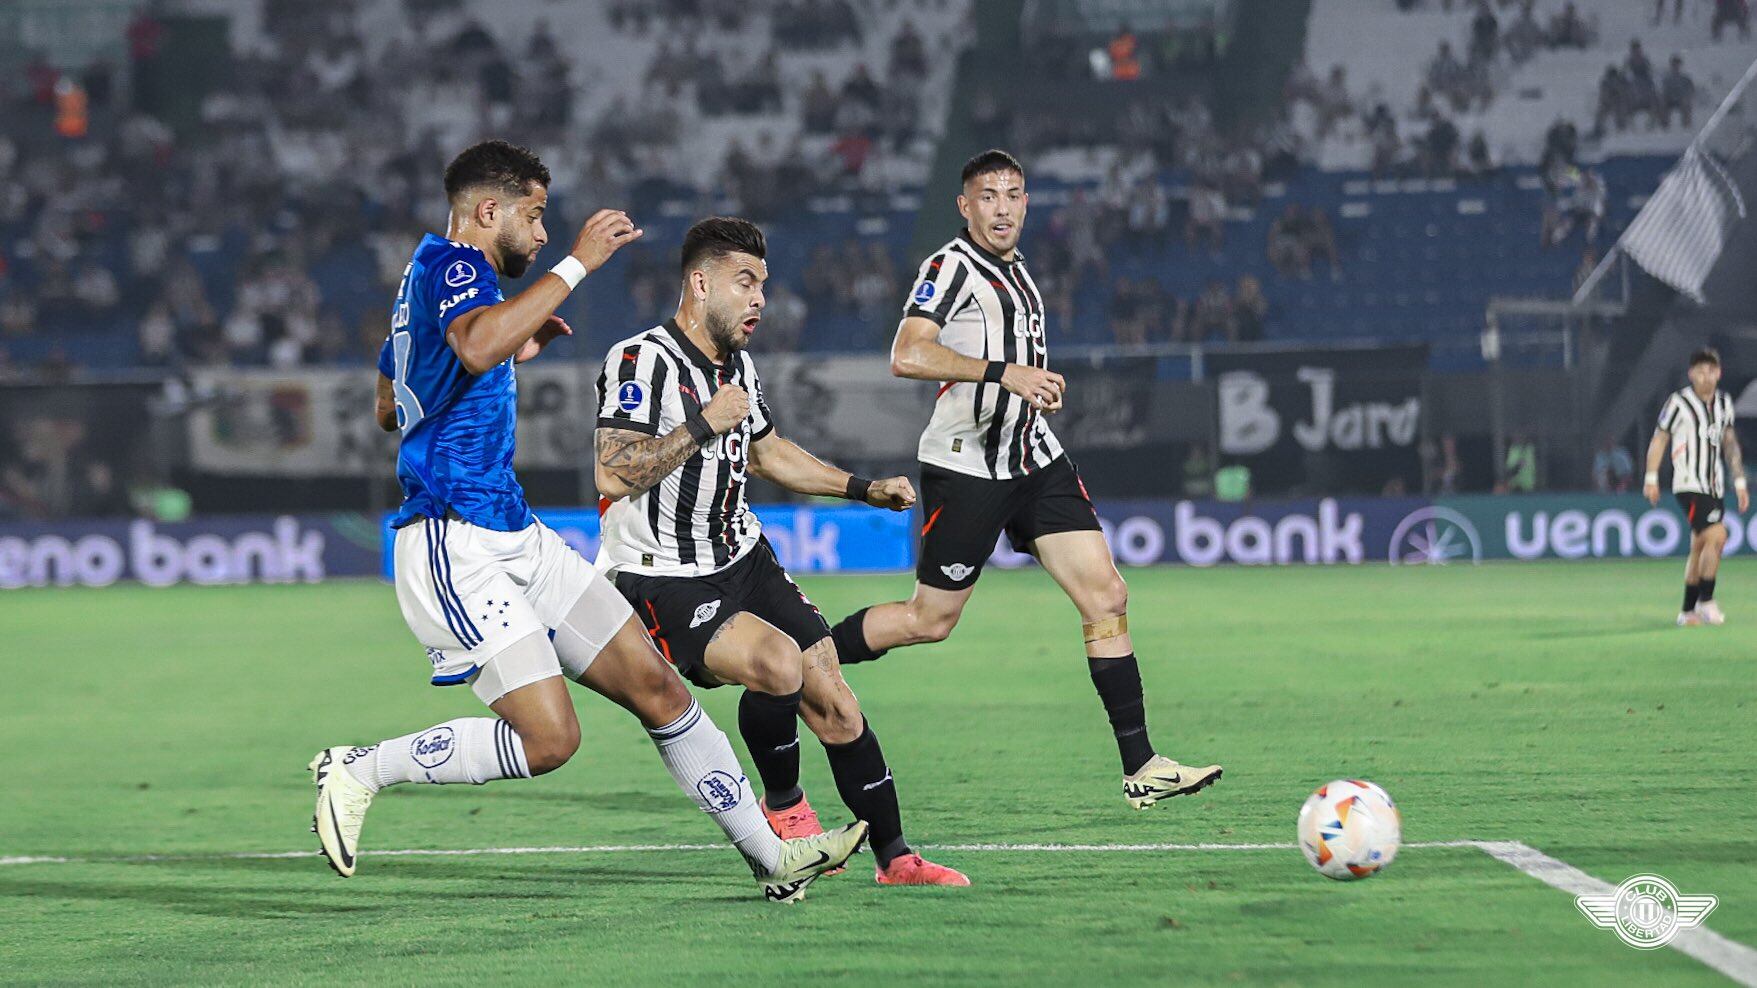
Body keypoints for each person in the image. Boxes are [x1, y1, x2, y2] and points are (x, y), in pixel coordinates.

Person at [313, 141, 865, 902]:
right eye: (534, 217)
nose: (540, 235)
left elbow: (390, 402)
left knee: (661, 690)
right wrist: (574, 266)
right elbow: (473, 344)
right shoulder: (455, 267)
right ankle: (359, 768)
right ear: (488, 211)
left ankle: (774, 857)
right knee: (551, 740)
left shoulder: (422, 278)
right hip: (451, 537)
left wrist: (512, 346)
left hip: (517, 533)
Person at [827, 150, 1223, 810]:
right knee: (929, 621)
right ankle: (807, 660)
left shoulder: (1018, 273)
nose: (1002, 206)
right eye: (987, 196)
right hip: (967, 464)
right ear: (965, 206)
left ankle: (1142, 765)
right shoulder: (947, 268)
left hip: (1033, 457)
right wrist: (1004, 373)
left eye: (1013, 194)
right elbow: (906, 354)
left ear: (1028, 202)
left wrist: (1032, 386)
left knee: (1106, 595)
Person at [593, 217, 967, 887]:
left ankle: (896, 859)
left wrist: (861, 489)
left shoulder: (737, 365)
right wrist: (705, 421)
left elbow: (766, 451)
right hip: (663, 575)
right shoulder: (640, 360)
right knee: (777, 664)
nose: (760, 299)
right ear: (700, 283)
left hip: (743, 555)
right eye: (744, 283)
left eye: (762, 284)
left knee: (836, 699)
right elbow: (613, 473)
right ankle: (784, 807)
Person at [1645, 347, 1748, 626]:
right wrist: (1651, 477)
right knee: (1718, 535)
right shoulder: (1678, 402)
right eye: (1700, 371)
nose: (1706, 376)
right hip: (1688, 484)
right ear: (1691, 374)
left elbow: (1729, 444)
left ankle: (1687, 612)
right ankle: (1707, 601)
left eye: (1711, 371)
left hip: (1714, 486)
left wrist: (1739, 481)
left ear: (1719, 373)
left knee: (1701, 546)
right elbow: (1660, 439)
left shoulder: (1724, 403)